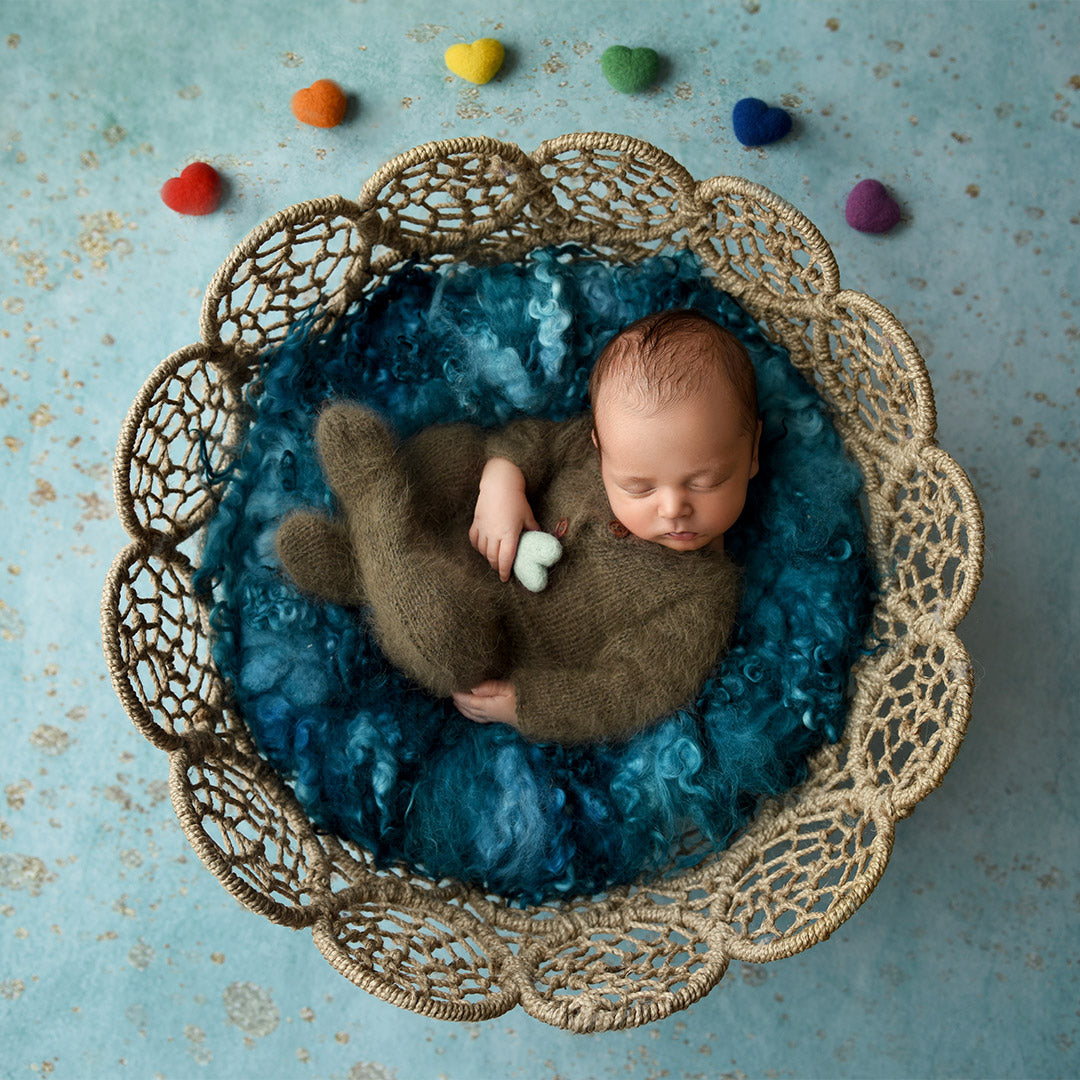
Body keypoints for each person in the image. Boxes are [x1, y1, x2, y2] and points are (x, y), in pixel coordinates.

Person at [276, 308, 761, 744]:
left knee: (439, 636)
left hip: (493, 636)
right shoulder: (591, 449)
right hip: (466, 523)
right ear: (601, 446)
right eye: (638, 486)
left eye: (706, 481)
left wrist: (526, 704)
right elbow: (533, 439)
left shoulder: (701, 598)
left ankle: (374, 516)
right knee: (459, 454)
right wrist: (502, 482)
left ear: (752, 450)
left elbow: (629, 690)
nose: (673, 507)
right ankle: (374, 558)